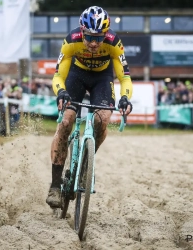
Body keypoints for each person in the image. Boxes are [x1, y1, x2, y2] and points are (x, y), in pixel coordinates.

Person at [46, 6, 133, 208]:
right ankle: (55, 186)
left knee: (102, 120)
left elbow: (125, 77)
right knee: (66, 121)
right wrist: (61, 92)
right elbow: (58, 76)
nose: (94, 43)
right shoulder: (71, 41)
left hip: (102, 78)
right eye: (89, 37)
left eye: (99, 38)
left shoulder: (114, 43)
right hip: (76, 75)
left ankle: (87, 160)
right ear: (82, 32)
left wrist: (125, 98)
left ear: (106, 35)